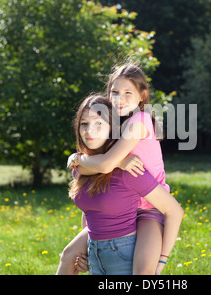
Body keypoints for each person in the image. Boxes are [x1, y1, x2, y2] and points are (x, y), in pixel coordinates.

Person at [57, 94, 183, 275]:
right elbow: (89, 209)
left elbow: (174, 210)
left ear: (113, 128)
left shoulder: (130, 169)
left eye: (98, 123)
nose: (89, 130)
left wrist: (162, 258)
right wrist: (89, 250)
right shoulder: (83, 167)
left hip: (121, 256)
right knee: (67, 255)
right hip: (97, 254)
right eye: (84, 124)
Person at [71, 62, 171, 275]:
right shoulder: (114, 123)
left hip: (150, 208)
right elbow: (90, 170)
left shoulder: (139, 121)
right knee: (70, 255)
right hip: (125, 205)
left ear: (142, 96)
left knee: (144, 273)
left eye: (128, 92)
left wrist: (86, 160)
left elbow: (105, 164)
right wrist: (76, 159)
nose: (119, 98)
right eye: (114, 92)